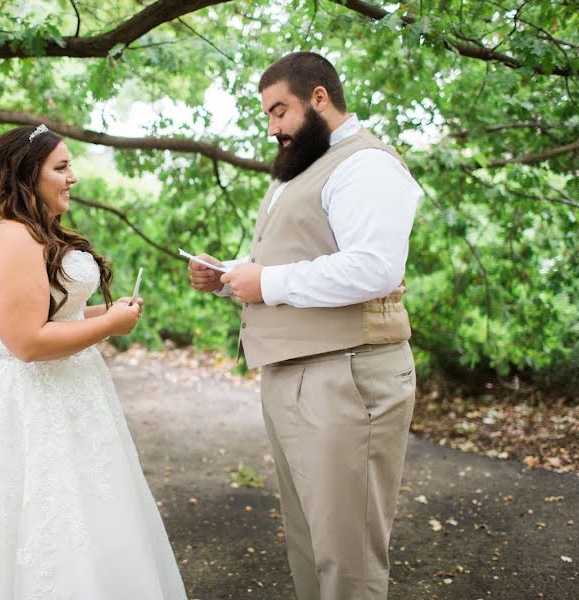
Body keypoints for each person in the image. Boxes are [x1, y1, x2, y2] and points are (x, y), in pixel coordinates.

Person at [0, 124, 187, 599]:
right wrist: (111, 327)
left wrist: (102, 312)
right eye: (62, 167)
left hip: (70, 394)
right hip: (27, 403)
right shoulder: (11, 238)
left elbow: (52, 313)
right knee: (36, 523)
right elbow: (27, 343)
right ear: (27, 175)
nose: (73, 178)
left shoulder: (31, 232)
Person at [188, 52, 422, 600]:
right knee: (308, 542)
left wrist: (265, 282)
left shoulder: (367, 165)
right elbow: (303, 262)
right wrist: (227, 278)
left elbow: (374, 268)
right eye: (267, 116)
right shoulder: (301, 172)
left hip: (349, 377)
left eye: (279, 111)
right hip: (292, 375)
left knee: (348, 555)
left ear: (320, 98)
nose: (273, 128)